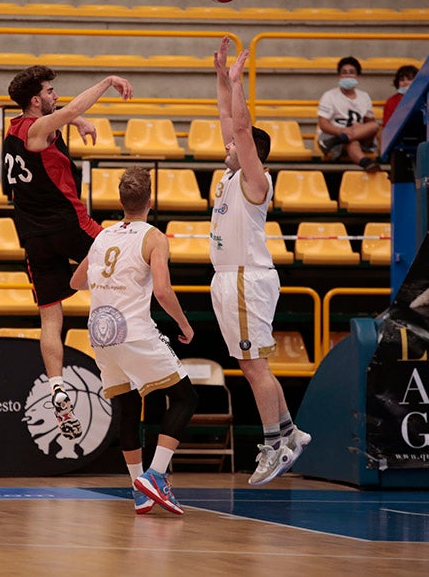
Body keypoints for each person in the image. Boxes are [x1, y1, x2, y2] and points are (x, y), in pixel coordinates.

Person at [2, 66, 134, 439]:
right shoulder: (36, 130)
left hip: (33, 237)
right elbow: (66, 112)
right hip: (67, 225)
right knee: (122, 255)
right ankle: (126, 348)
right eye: (49, 90)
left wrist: (78, 124)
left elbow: (59, 119)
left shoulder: (13, 129)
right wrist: (108, 81)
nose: (54, 94)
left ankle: (57, 387)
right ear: (34, 99)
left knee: (50, 319)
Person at [211, 37, 310, 486]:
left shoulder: (256, 181)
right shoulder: (231, 175)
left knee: (254, 368)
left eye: (235, 143)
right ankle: (291, 431)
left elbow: (242, 130)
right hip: (231, 280)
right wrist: (220, 77)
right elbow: (229, 121)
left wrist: (238, 82)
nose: (227, 143)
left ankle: (275, 445)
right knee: (250, 364)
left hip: (247, 279)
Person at [70, 166, 197, 515]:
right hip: (132, 330)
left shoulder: (103, 236)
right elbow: (163, 290)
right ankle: (156, 475)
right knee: (185, 398)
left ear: (121, 201)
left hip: (100, 332)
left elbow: (76, 282)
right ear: (149, 202)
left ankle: (138, 489)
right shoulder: (154, 237)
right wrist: (184, 325)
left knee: (128, 406)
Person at [316, 56, 381, 172]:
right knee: (352, 142)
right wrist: (340, 131)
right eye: (344, 73)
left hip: (358, 135)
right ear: (339, 76)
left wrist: (360, 128)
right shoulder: (329, 95)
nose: (347, 75)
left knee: (375, 126)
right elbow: (323, 123)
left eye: (351, 72)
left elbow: (370, 123)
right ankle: (365, 162)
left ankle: (335, 142)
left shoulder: (364, 96)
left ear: (358, 76)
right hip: (335, 134)